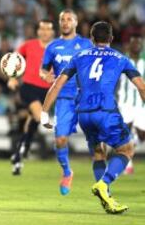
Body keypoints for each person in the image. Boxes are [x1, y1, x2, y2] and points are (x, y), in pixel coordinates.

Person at [41, 21, 145, 214]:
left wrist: (44, 112)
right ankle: (104, 184)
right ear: (111, 39)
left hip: (84, 114)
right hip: (105, 112)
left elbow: (57, 85)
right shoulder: (120, 58)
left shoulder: (79, 56)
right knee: (127, 150)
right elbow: (141, 86)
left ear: (91, 38)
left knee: (99, 153)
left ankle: (107, 197)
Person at [40, 9, 93, 195]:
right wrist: (45, 76)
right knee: (61, 139)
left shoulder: (86, 44)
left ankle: (105, 180)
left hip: (86, 98)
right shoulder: (53, 47)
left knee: (98, 140)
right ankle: (67, 172)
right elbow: (43, 70)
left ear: (76, 22)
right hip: (63, 98)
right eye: (62, 19)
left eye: (69, 19)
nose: (65, 22)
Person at [7, 19, 55, 175]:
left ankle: (19, 155)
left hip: (47, 92)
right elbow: (15, 60)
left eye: (48, 29)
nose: (45, 32)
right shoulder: (29, 45)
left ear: (52, 32)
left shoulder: (58, 48)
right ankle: (24, 150)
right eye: (43, 29)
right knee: (39, 115)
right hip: (29, 88)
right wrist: (13, 77)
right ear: (38, 31)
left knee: (32, 122)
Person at [117, 34, 145, 174]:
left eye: (139, 43)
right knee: (125, 132)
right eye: (134, 43)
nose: (137, 46)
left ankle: (128, 148)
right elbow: (115, 80)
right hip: (125, 103)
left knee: (142, 135)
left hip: (141, 104)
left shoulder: (144, 61)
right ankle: (127, 163)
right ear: (130, 45)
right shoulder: (122, 60)